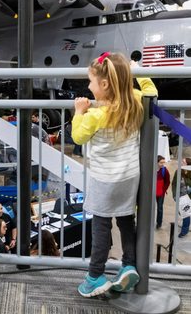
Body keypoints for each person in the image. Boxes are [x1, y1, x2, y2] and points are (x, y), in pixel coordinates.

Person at [71, 52, 157, 298]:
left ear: (105, 84)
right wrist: (139, 72)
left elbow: (77, 137)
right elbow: (152, 93)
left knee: (101, 226)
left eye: (91, 82)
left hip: (104, 180)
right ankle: (129, 265)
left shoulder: (96, 114)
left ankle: (95, 275)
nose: (88, 86)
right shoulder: (135, 102)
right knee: (126, 221)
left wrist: (79, 112)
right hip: (130, 177)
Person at [171, 158, 191, 238]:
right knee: (181, 212)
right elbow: (174, 184)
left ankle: (184, 231)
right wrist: (175, 195)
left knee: (186, 214)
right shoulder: (178, 171)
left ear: (187, 164)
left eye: (183, 162)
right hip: (180, 197)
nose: (181, 163)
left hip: (189, 197)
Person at [155, 155, 170, 229]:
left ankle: (159, 223)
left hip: (161, 193)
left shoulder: (165, 170)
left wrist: (163, 190)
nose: (163, 164)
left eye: (163, 162)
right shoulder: (152, 169)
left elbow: (167, 182)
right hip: (152, 193)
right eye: (161, 162)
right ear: (157, 162)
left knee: (160, 208)